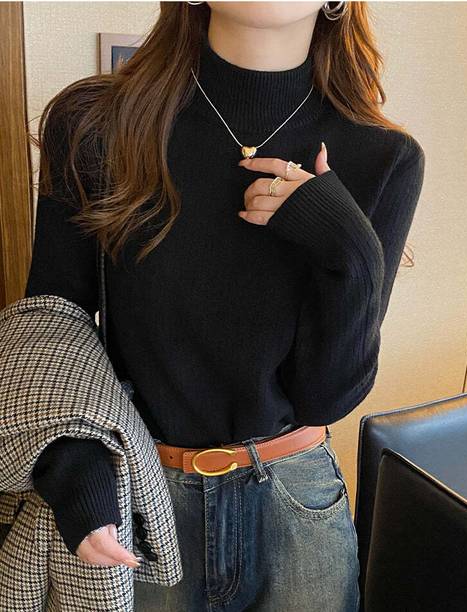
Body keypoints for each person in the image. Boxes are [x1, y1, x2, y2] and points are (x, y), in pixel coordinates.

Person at [23, 2, 425, 610]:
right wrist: (76, 469)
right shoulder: (96, 124)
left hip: (298, 509)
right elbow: (52, 322)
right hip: (138, 500)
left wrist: (350, 249)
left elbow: (325, 398)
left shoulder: (385, 157)